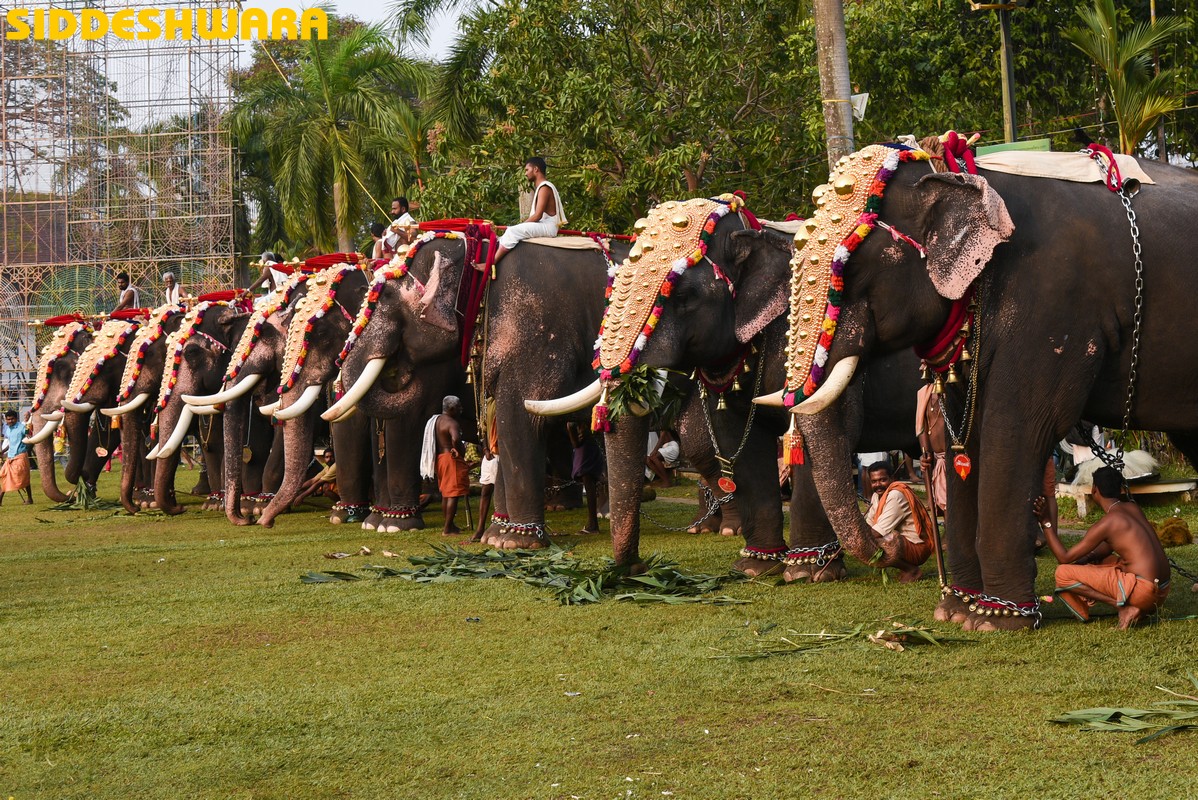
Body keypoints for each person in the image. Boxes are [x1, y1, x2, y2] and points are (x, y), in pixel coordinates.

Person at [1034, 466, 1170, 629]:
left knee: (1062, 573)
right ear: (1120, 489)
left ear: (1094, 489)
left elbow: (1064, 557)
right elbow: (1105, 548)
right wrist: (1084, 562)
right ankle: (1089, 606)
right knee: (1101, 560)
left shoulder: (1108, 522)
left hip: (1143, 593)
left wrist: (1046, 522)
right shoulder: (1132, 507)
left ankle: (1123, 607)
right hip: (1161, 590)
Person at [865, 461, 935, 582]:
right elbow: (869, 524)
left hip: (918, 547)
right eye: (874, 481)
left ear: (892, 478)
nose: (878, 484)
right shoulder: (876, 496)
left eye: (882, 480)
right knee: (868, 539)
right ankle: (906, 568)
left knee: (882, 540)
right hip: (906, 543)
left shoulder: (896, 494)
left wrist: (859, 539)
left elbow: (877, 532)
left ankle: (911, 570)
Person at [491, 157, 566, 264]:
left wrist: (519, 226)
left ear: (535, 169)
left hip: (548, 227)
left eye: (527, 170)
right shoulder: (542, 187)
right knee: (510, 232)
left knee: (513, 231)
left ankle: (491, 264)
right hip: (544, 225)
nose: (525, 174)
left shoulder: (545, 187)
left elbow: (537, 216)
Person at [420, 396, 471, 535]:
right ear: (452, 408)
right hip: (450, 459)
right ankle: (448, 528)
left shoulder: (436, 421)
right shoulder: (451, 423)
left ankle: (450, 525)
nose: (461, 409)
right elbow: (455, 439)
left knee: (446, 494)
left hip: (440, 459)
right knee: (453, 494)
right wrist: (459, 450)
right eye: (459, 406)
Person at [569, 421, 606, 534]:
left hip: (585, 453)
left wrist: (570, 429)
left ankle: (593, 525)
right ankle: (592, 523)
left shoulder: (579, 424)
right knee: (591, 486)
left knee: (590, 487)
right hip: (590, 450)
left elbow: (576, 443)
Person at [916, 384, 947, 512]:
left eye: (924, 364)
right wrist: (925, 454)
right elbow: (921, 426)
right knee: (945, 509)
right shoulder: (924, 393)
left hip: (955, 459)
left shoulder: (953, 389)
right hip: (938, 460)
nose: (921, 368)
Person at [0, 410, 33, 505]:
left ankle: (30, 499)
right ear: (6, 420)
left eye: (12, 419)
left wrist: (27, 449)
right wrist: (3, 451)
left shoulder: (22, 427)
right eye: (8, 419)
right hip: (10, 457)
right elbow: (11, 443)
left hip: (20, 456)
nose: (10, 421)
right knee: (5, 477)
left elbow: (29, 437)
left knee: (24, 477)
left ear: (16, 418)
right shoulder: (7, 429)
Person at [471, 441, 498, 542]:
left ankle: (505, 523)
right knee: (485, 492)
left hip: (503, 453)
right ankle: (480, 529)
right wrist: (486, 449)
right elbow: (483, 434)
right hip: (490, 456)